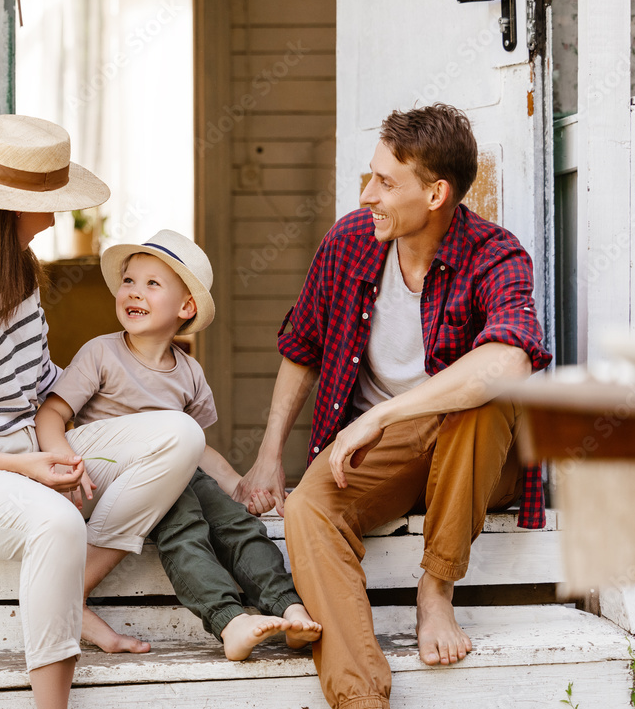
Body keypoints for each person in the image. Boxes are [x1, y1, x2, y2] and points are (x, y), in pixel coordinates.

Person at [233, 104, 553, 709]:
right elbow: (302, 345)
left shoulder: (496, 254)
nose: (367, 194)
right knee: (307, 508)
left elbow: (511, 358)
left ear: (435, 193)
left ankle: (435, 591)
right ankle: (359, 697)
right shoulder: (350, 241)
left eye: (385, 182)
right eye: (369, 176)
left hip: (477, 459)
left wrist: (380, 415)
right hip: (387, 457)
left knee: (481, 402)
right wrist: (269, 454)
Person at [0, 116, 204, 709]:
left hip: (32, 445)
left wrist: (91, 429)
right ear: (9, 208)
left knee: (178, 434)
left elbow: (43, 385)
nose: (56, 217)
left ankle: (72, 592)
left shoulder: (19, 271)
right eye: (49, 204)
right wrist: (29, 468)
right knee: (57, 523)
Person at [35, 230, 322, 661]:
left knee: (234, 522)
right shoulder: (101, 354)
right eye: (130, 281)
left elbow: (197, 447)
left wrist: (236, 485)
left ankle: (287, 605)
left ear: (186, 307)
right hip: (105, 477)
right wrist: (63, 464)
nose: (134, 291)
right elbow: (51, 415)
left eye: (153, 284)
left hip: (173, 472)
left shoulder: (189, 372)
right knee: (184, 519)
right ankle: (228, 620)